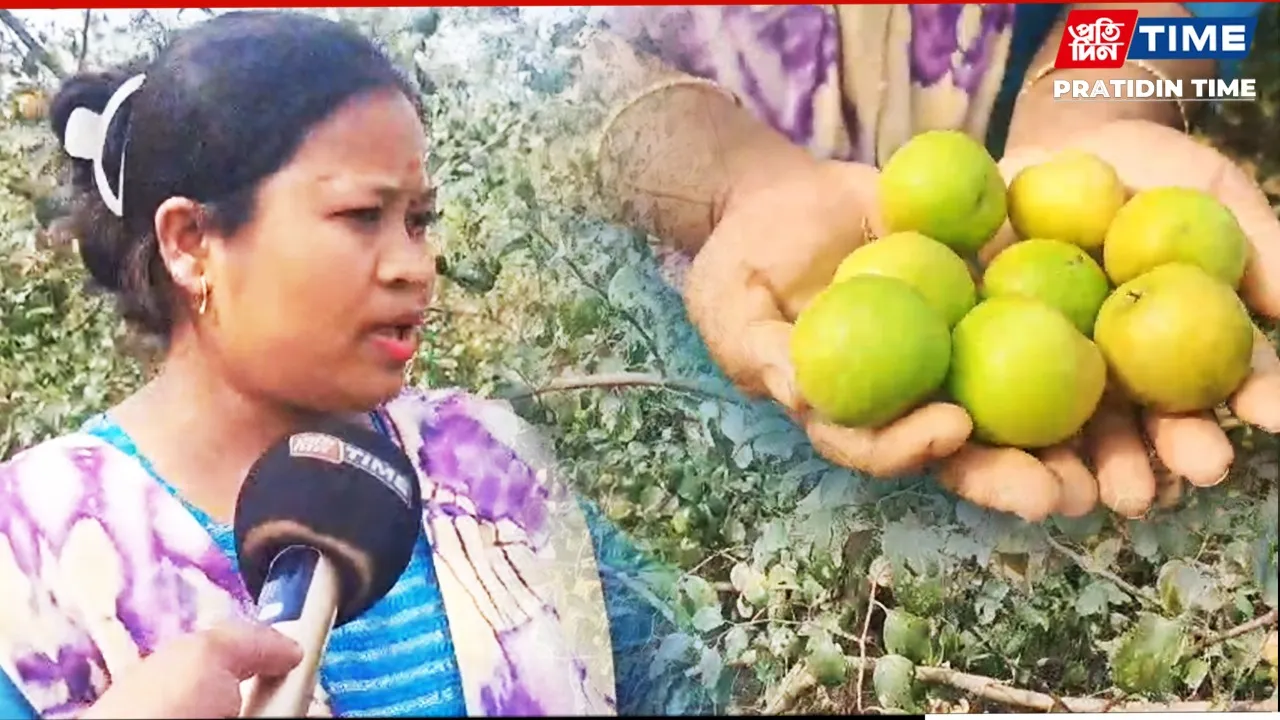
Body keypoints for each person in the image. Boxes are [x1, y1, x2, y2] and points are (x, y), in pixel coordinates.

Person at [0, 11, 711, 719]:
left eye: (418, 221)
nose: (415, 266)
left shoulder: (487, 469)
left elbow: (702, 675)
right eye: (362, 216)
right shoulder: (29, 550)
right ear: (191, 242)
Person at [588, 3, 1280, 523]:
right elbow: (539, 56)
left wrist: (1089, 109)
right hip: (733, 283)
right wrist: (725, 178)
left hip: (1000, 216)